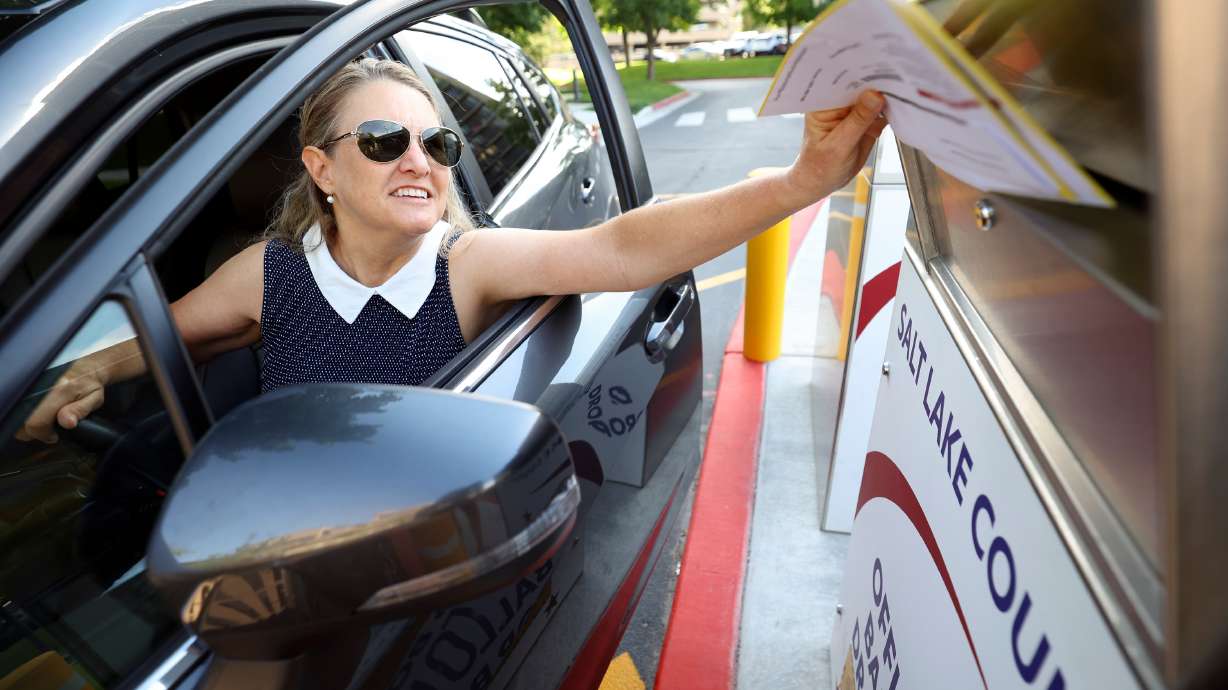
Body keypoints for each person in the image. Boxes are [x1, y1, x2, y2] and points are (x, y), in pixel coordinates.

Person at [17, 58, 886, 444]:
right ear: (320, 169)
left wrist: (798, 183)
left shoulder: (462, 265)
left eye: (438, 146)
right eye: (387, 138)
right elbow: (172, 336)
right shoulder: (269, 274)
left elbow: (621, 249)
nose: (418, 161)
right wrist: (94, 372)